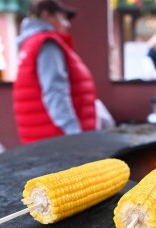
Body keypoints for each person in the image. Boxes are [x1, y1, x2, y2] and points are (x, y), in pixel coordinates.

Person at [13, 0, 97, 144]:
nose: (67, 24)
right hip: (59, 141)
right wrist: (76, 137)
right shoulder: (47, 44)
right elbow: (55, 92)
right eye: (63, 18)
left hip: (43, 139)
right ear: (46, 15)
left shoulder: (30, 43)